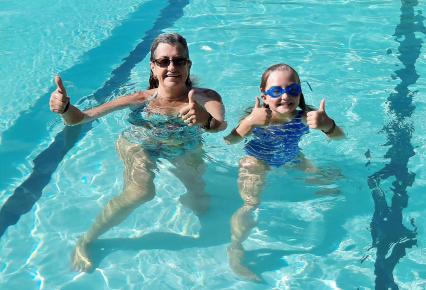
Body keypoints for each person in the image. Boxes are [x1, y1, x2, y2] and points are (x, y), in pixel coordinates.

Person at [49, 33, 226, 272]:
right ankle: (87, 240)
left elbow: (219, 124)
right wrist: (65, 108)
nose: (172, 67)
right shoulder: (140, 99)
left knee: (201, 201)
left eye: (179, 61)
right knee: (141, 191)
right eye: (164, 61)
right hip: (140, 143)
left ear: (188, 64)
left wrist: (206, 120)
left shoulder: (206, 97)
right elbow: (80, 119)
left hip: (184, 146)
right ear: (153, 68)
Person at [224, 63, 344, 281]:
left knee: (332, 187)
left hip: (291, 156)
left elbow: (340, 137)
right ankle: (235, 248)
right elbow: (229, 141)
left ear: (299, 92)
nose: (285, 96)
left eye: (292, 90)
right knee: (251, 204)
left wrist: (328, 125)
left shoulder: (305, 117)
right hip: (257, 160)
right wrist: (249, 122)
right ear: (264, 95)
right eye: (276, 91)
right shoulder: (258, 118)